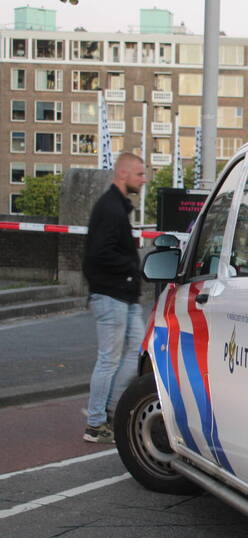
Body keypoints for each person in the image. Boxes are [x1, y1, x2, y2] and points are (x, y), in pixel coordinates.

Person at [82, 153, 148, 443]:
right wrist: (132, 267)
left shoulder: (118, 207)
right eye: (139, 175)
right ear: (123, 174)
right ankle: (95, 424)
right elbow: (98, 254)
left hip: (124, 297)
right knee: (108, 359)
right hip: (111, 296)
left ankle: (109, 411)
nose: (143, 180)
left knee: (136, 351)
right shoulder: (110, 209)